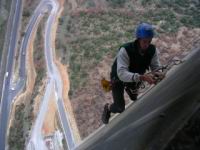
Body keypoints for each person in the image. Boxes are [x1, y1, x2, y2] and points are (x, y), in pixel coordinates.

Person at [102, 23, 163, 124]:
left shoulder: (152, 50)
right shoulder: (125, 50)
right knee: (120, 108)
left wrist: (158, 74)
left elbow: (156, 67)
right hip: (118, 78)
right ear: (138, 39)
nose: (147, 45)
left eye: (149, 41)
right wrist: (142, 77)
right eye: (144, 41)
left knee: (134, 97)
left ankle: (130, 88)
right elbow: (121, 73)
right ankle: (108, 108)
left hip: (137, 76)